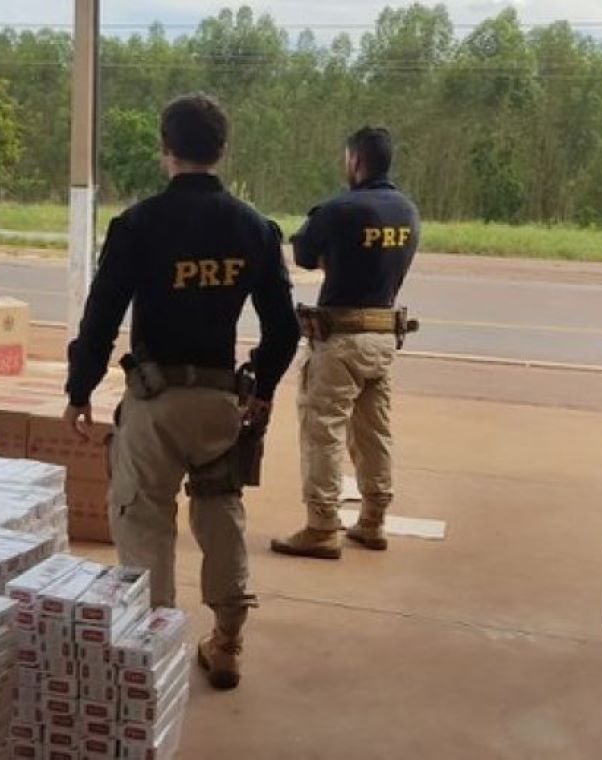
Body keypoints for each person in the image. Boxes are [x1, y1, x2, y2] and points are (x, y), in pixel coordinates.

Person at [63, 94, 299, 690]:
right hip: (220, 404)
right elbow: (284, 328)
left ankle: (153, 650)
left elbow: (100, 318)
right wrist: (262, 386)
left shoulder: (138, 225)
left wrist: (80, 387)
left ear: (164, 148)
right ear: (222, 150)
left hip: (155, 404)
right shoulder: (255, 229)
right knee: (221, 514)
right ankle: (228, 642)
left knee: (144, 519)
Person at [271, 126, 420, 560]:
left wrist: (333, 255)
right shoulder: (408, 212)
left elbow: (303, 253)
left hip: (340, 339)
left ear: (355, 160)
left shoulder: (339, 209)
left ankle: (321, 526)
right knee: (374, 431)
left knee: (324, 429)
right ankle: (373, 519)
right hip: (384, 336)